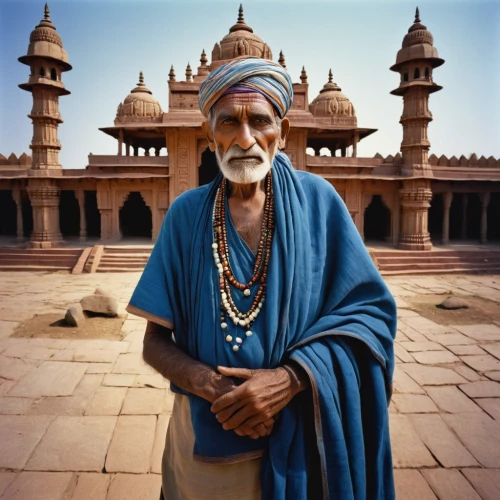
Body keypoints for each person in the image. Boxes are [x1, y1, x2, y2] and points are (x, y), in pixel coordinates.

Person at [126, 56, 396, 500]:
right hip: (205, 449)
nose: (245, 138)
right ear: (209, 133)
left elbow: (372, 317)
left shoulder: (319, 204)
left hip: (304, 440)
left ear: (283, 132)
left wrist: (290, 379)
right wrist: (211, 385)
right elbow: (153, 342)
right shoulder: (186, 215)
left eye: (260, 121)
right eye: (229, 122)